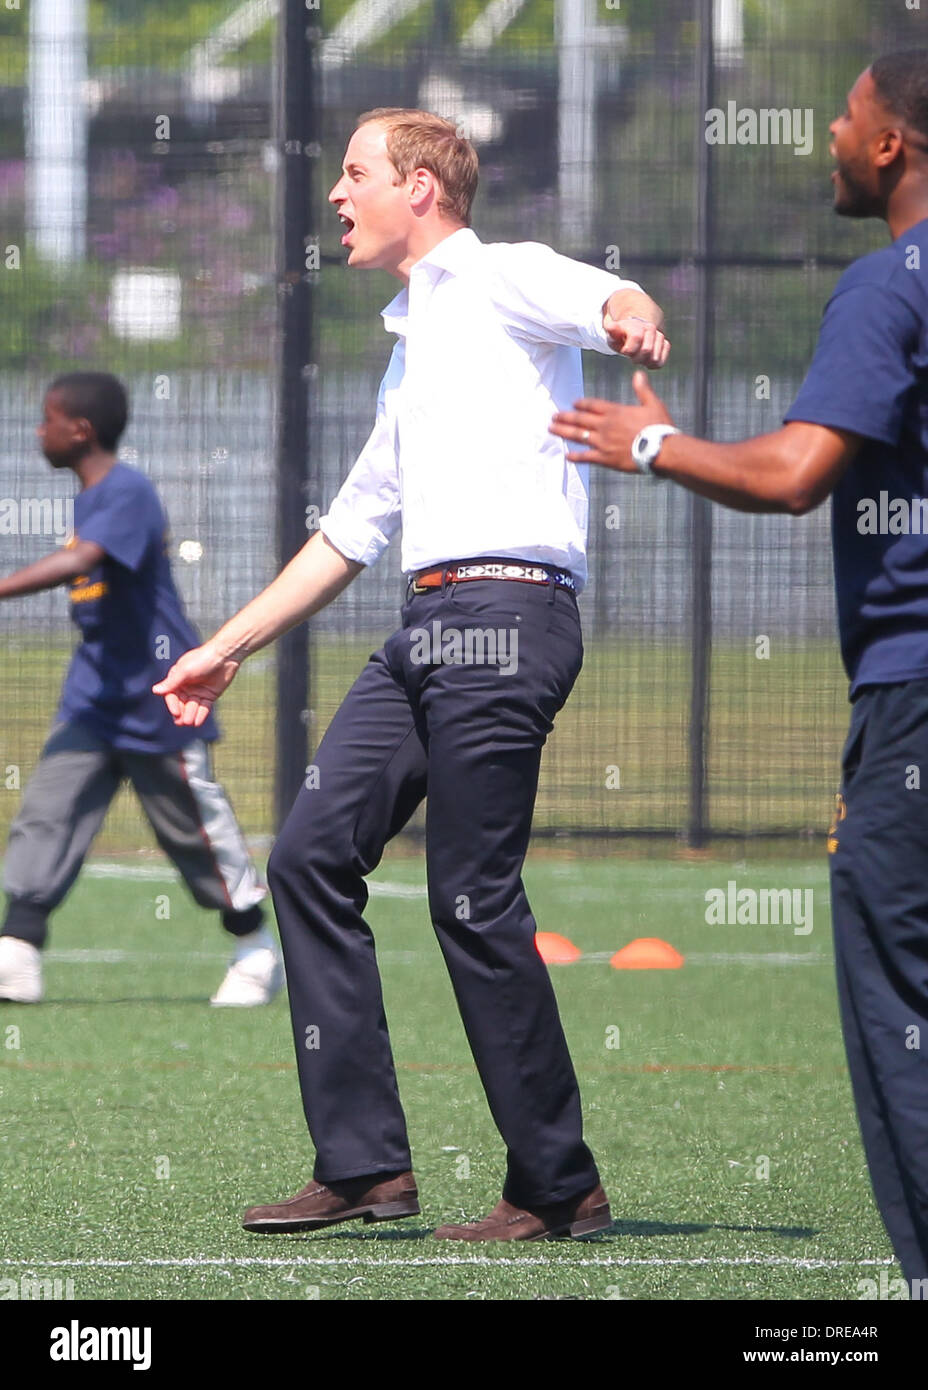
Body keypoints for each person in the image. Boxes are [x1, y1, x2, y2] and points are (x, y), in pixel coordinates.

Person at [155, 108, 670, 1240]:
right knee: (306, 854)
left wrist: (632, 326)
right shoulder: (413, 349)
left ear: (422, 187)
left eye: (354, 174)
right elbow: (348, 531)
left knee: (471, 896)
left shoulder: (499, 276)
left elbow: (606, 300)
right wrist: (224, 647)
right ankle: (365, 1169)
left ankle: (555, 1182)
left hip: (510, 615)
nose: (336, 196)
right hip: (425, 629)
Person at [550, 51, 928, 1289]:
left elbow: (792, 473)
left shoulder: (887, 288)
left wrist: (649, 439)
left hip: (914, 699)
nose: (828, 129)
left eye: (847, 112)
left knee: (899, 995)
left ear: (890, 146)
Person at [0, 372, 281, 1008]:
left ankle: (254, 947)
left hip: (159, 694)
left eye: (48, 419)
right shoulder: (88, 497)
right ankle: (16, 950)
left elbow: (81, 561)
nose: (38, 431)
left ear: (81, 430)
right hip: (95, 696)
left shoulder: (125, 490)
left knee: (192, 832)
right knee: (49, 811)